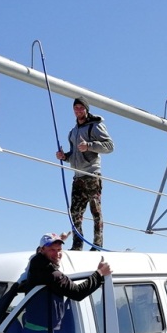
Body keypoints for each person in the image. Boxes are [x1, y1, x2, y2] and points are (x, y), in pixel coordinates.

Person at [16, 232, 112, 333]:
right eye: (52, 250)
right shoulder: (51, 274)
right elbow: (78, 292)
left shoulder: (36, 262)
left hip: (36, 331)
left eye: (59, 250)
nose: (57, 254)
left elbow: (38, 253)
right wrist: (100, 274)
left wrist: (59, 239)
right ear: (42, 250)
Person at [56, 96, 114, 251]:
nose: (78, 110)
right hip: (77, 177)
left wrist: (89, 145)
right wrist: (65, 157)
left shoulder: (95, 126)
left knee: (95, 210)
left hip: (92, 175)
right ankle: (77, 244)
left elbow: (109, 146)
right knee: (75, 211)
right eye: (76, 108)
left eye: (81, 108)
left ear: (86, 109)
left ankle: (97, 245)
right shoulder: (72, 132)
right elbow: (75, 154)